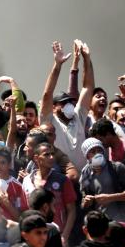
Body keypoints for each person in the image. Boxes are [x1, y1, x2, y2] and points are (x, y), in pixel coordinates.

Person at [38, 40, 95, 169]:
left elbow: (88, 88)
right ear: (54, 107)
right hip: (59, 177)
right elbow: (47, 94)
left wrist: (87, 59)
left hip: (81, 178)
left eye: (70, 102)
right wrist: (57, 65)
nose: (69, 105)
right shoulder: (49, 121)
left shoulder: (78, 117)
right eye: (63, 103)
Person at [78, 137, 125, 233]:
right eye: (93, 151)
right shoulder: (86, 175)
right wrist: (86, 203)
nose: (97, 154)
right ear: (87, 156)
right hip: (101, 227)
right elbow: (83, 201)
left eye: (99, 150)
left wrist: (110, 198)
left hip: (121, 222)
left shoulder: (117, 168)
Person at [0, 147, 28, 221]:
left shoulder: (18, 187)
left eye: (3, 162)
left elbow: (21, 218)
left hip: (12, 229)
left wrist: (7, 203)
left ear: (9, 164)